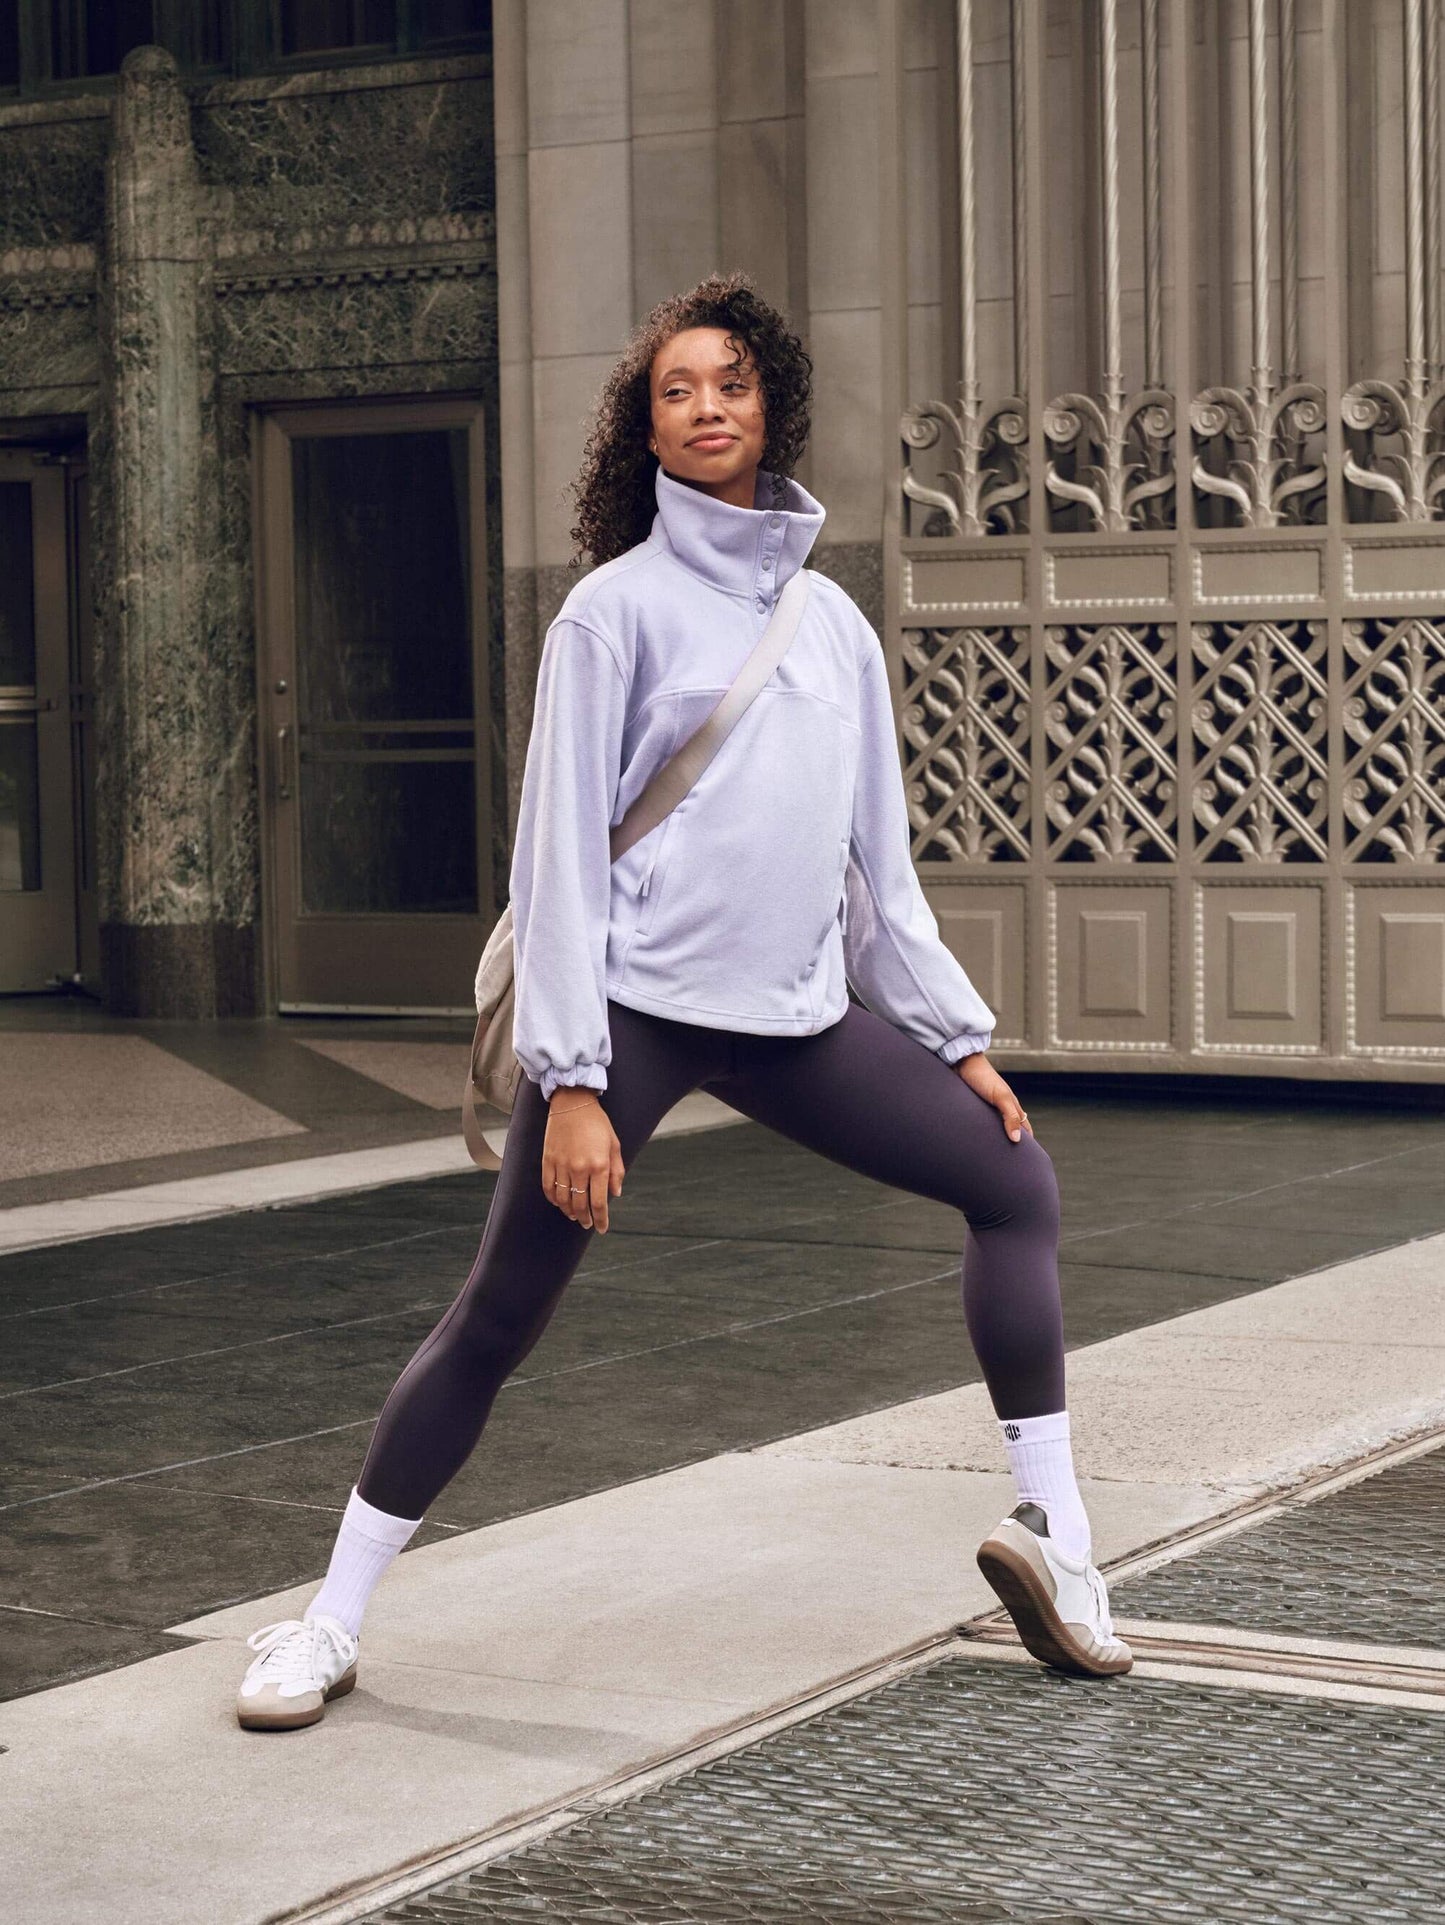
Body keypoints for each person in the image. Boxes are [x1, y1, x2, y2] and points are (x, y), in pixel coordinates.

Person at [235, 271, 1131, 1732]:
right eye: (675, 389)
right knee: (494, 1319)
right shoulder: (611, 611)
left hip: (790, 1019)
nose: (706, 406)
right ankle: (327, 1621)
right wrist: (573, 1078)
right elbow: (559, 864)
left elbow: (875, 870)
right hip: (636, 1015)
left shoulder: (831, 627)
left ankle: (1063, 1546)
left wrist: (954, 1038)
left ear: (768, 398)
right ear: (643, 429)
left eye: (728, 382)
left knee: (1014, 1182)